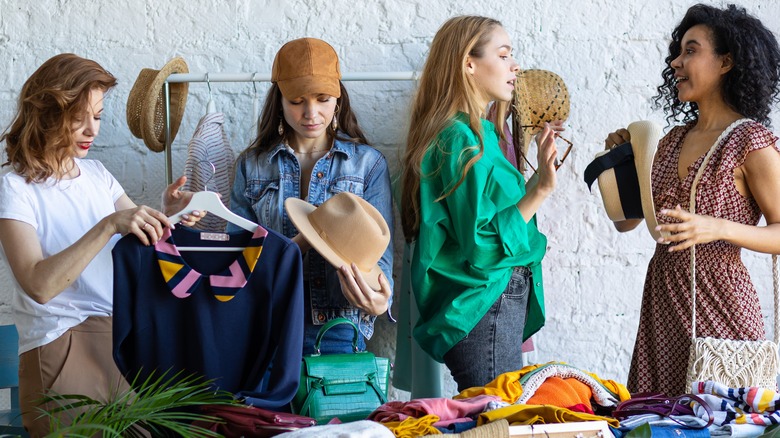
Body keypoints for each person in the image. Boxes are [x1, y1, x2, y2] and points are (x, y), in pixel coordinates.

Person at [0, 53, 201, 436]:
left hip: (119, 341)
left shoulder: (97, 175)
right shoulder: (15, 188)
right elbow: (39, 285)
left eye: (98, 116)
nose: (92, 130)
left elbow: (143, 239)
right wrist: (108, 224)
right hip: (59, 343)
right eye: (79, 118)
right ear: (48, 110)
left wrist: (169, 214)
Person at [604, 4, 780, 396]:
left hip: (722, 304)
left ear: (726, 62)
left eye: (691, 50)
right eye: (678, 52)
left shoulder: (749, 141)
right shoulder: (669, 141)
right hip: (662, 304)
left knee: (727, 421)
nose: (676, 62)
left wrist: (715, 227)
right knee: (657, 419)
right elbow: (627, 222)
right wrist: (621, 166)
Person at [400, 15, 561, 392]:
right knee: (496, 422)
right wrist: (540, 191)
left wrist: (540, 176)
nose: (514, 65)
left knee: (496, 418)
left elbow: (494, 221)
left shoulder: (481, 132)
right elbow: (482, 243)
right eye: (503, 55)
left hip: (492, 302)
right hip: (483, 302)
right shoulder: (460, 139)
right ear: (468, 63)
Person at [230, 38, 394, 355]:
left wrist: (377, 301)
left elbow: (379, 261)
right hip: (267, 327)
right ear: (278, 100)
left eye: (322, 98)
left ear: (339, 99)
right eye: (297, 100)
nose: (311, 112)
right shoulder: (251, 166)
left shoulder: (367, 164)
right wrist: (302, 242)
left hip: (338, 330)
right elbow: (239, 260)